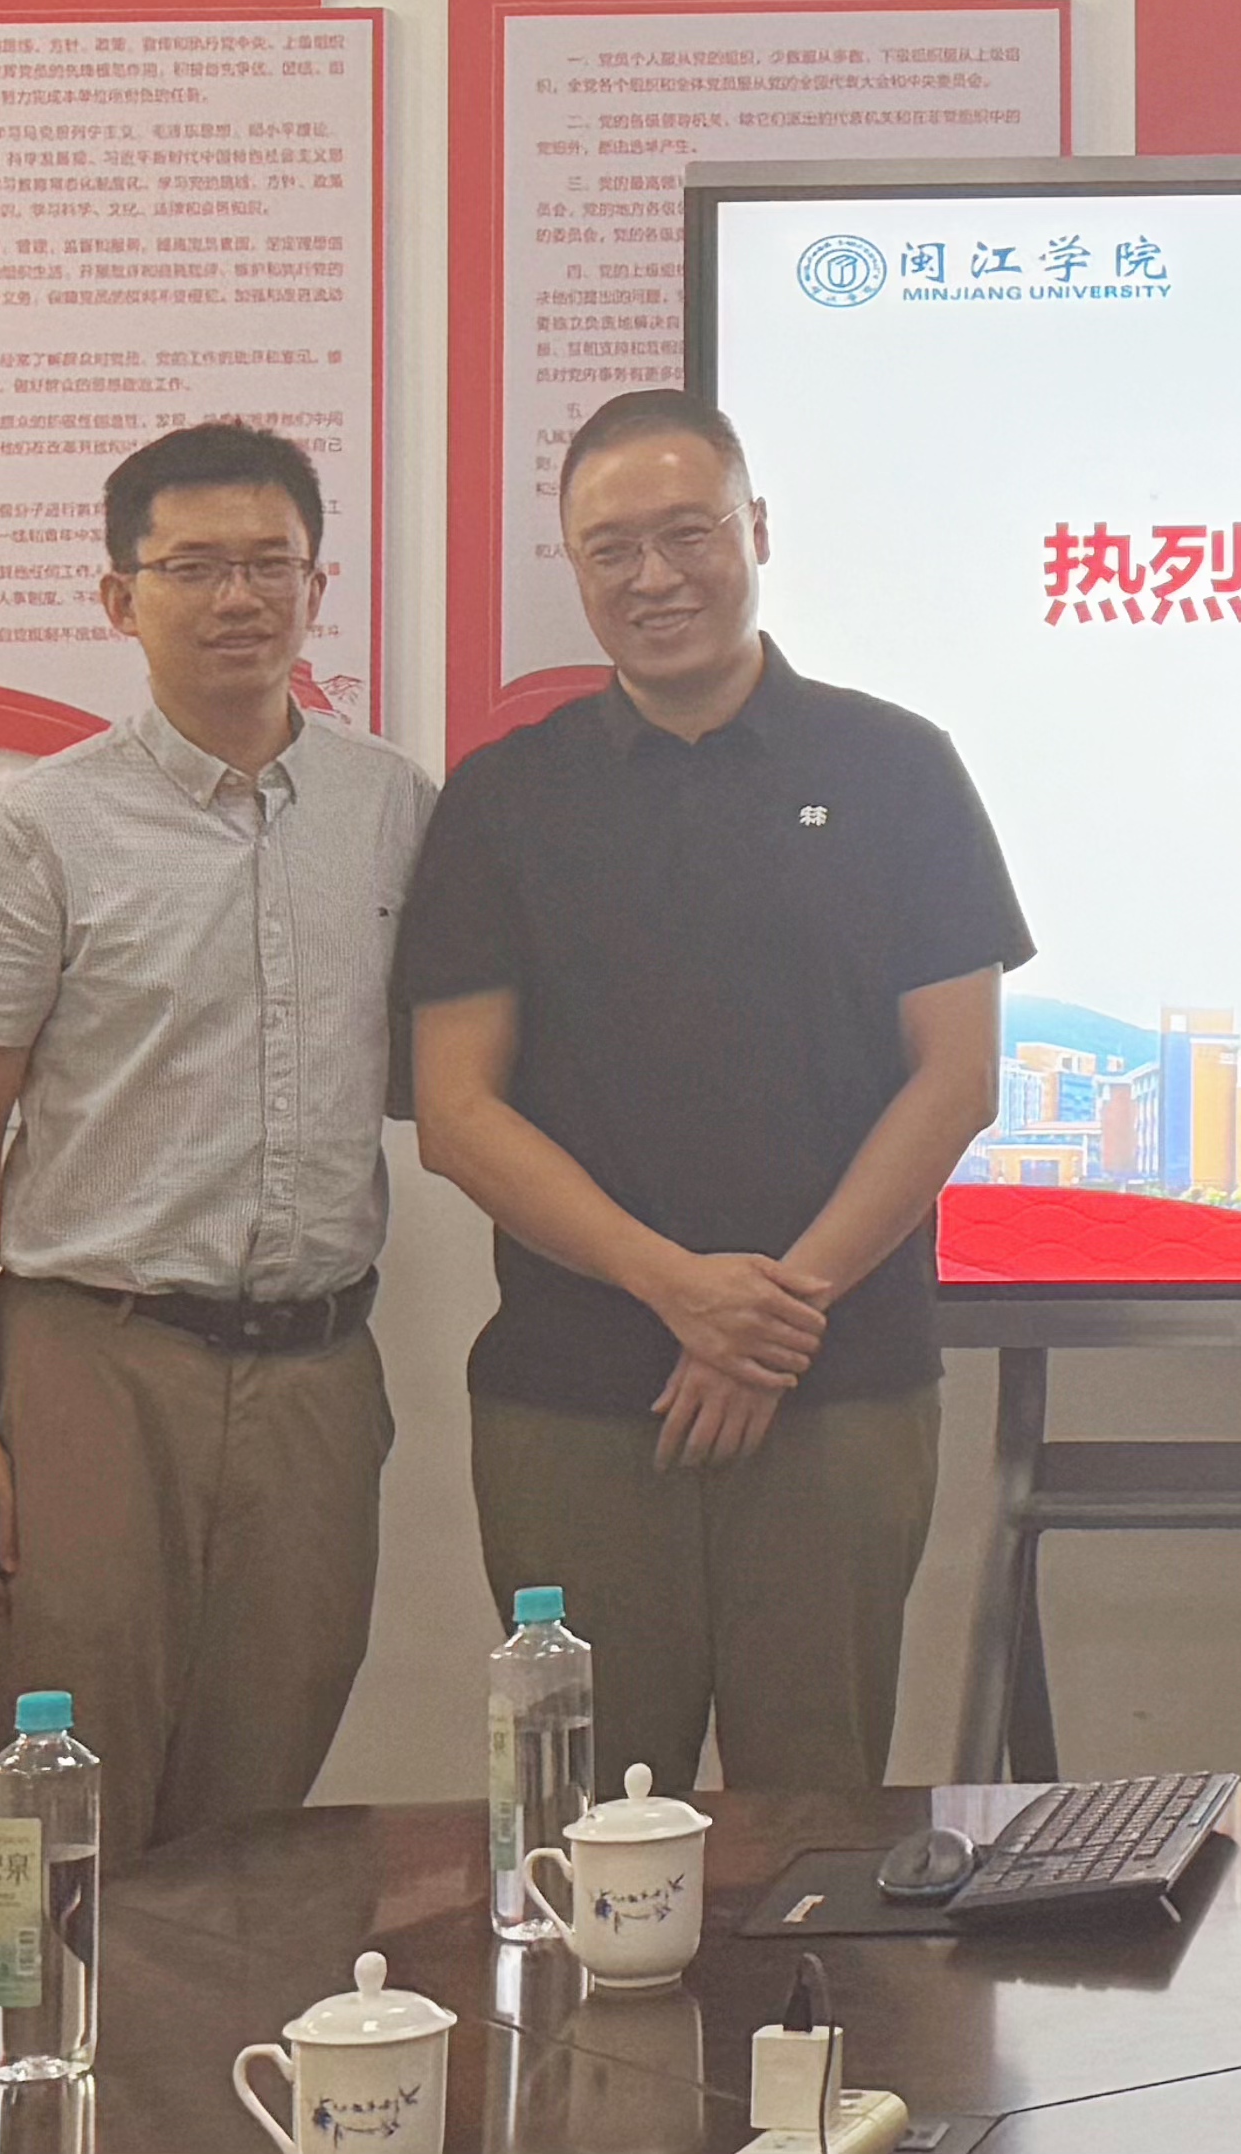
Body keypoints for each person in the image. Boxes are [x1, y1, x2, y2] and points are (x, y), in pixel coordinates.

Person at [400, 387, 1025, 1790]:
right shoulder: (505, 799)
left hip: (839, 1388)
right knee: (581, 1823)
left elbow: (958, 1076)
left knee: (817, 1816)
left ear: (758, 530)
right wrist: (680, 1289)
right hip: (575, 1399)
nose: (655, 577)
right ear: (575, 567)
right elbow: (458, 1113)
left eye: (689, 533)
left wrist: (767, 1323)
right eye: (611, 549)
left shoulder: (899, 767)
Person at [0, 421, 428, 1856]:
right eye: (193, 566)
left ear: (317, 586)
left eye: (270, 563)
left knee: (260, 1803)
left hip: (317, 1374)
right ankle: (66, 2018)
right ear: (119, 597)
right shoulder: (40, 826)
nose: (237, 597)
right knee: (72, 1797)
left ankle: (221, 2019)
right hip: (95, 1364)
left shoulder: (392, 807)